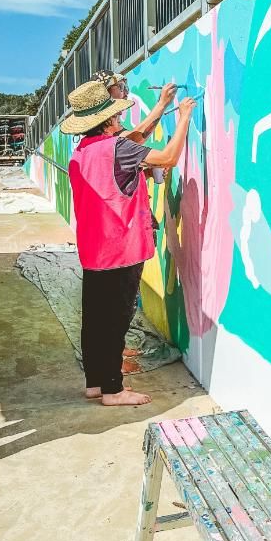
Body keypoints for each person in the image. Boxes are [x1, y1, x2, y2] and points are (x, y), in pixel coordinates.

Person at [61, 80, 196, 407]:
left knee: (95, 320)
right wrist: (184, 118)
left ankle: (96, 383)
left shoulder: (82, 152)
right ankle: (113, 390)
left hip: (94, 252)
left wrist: (161, 105)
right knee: (116, 322)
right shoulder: (117, 149)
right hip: (121, 251)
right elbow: (167, 158)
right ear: (108, 119)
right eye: (117, 115)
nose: (121, 119)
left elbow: (129, 146)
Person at [93, 71, 177, 144]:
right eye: (121, 87)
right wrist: (162, 104)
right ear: (104, 93)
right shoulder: (97, 130)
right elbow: (132, 140)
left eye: (126, 87)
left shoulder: (114, 128)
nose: (126, 93)